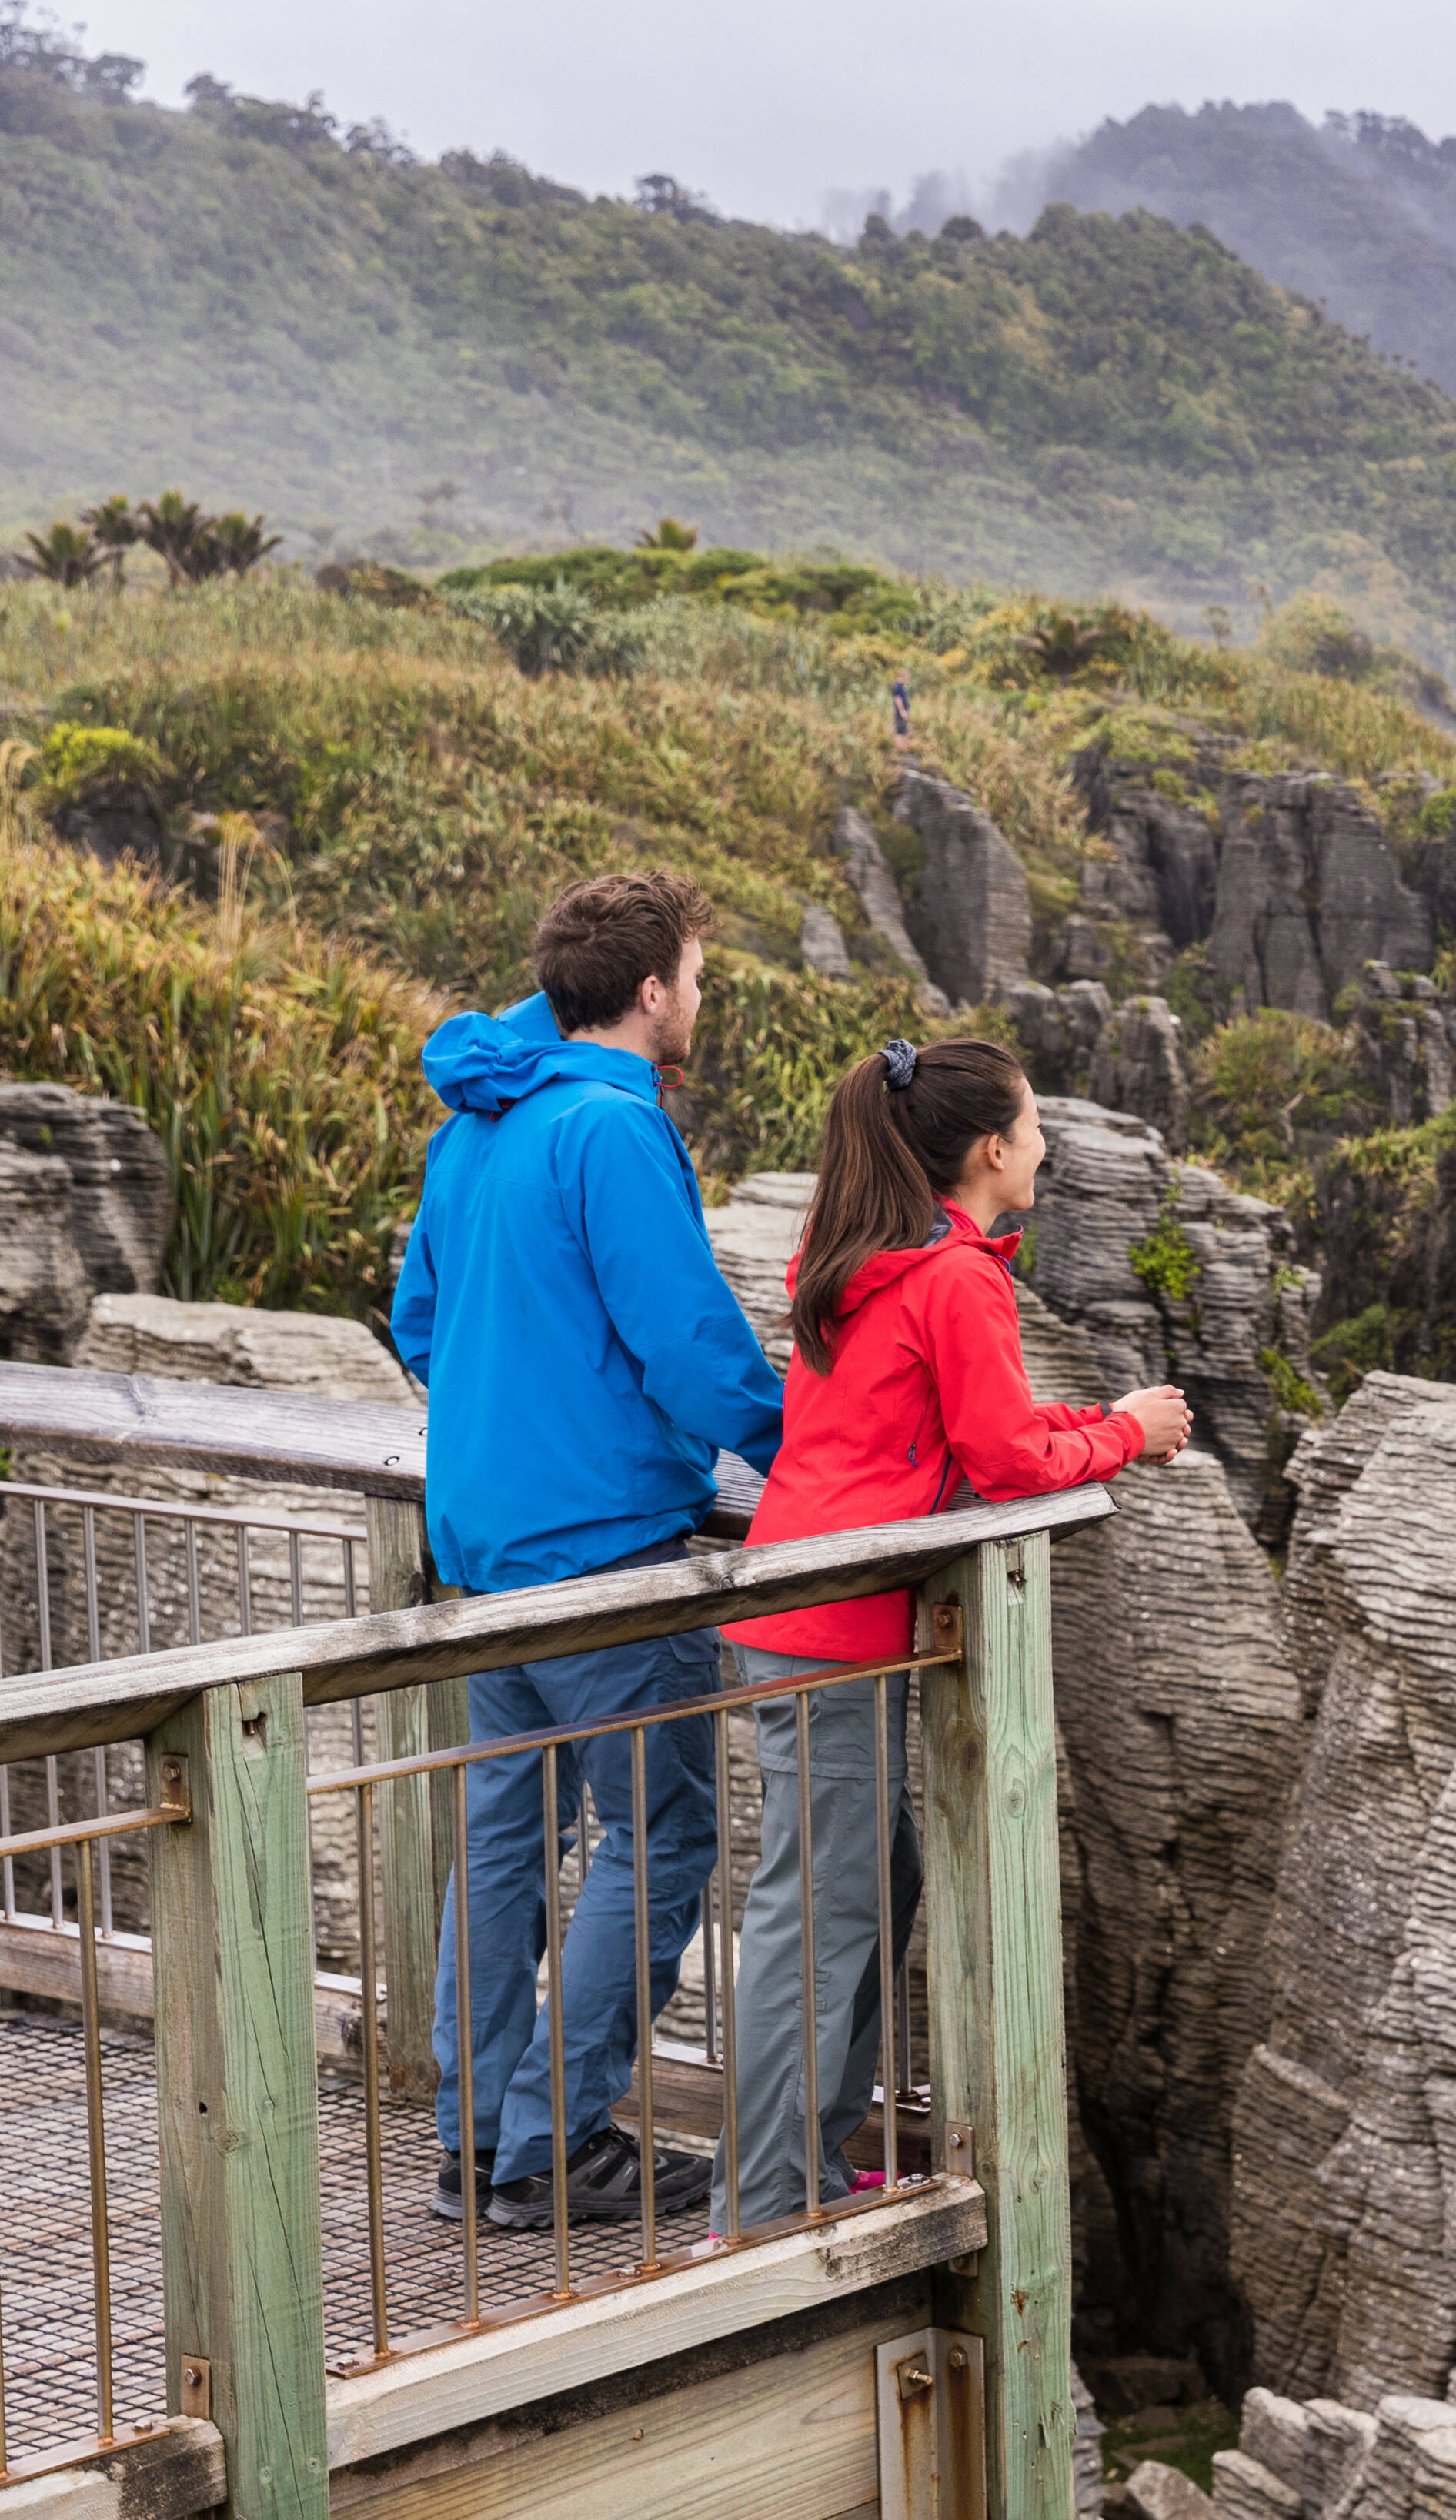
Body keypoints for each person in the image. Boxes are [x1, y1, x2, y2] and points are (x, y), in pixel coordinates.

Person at [713, 1037, 1187, 2233]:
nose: (1046, 1147)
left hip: (805, 1605)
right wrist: (1124, 1437)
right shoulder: (956, 1275)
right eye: (1033, 1129)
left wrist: (1102, 1419)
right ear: (989, 1150)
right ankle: (767, 2203)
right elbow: (1012, 1463)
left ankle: (809, 2162)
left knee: (872, 1881)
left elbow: (985, 1422)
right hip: (832, 1624)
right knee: (819, 1914)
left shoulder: (880, 1253)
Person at [392, 871, 783, 2228]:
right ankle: (561, 2145)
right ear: (652, 991)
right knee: (661, 1833)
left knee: (506, 1840)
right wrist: (803, 1453)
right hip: (606, 1552)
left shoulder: (481, 1124)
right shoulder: (611, 1128)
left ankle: (474, 2142)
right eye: (698, 976)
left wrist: (516, 1419)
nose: (702, 1000)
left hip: (488, 1547)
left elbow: (421, 1323)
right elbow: (689, 1346)